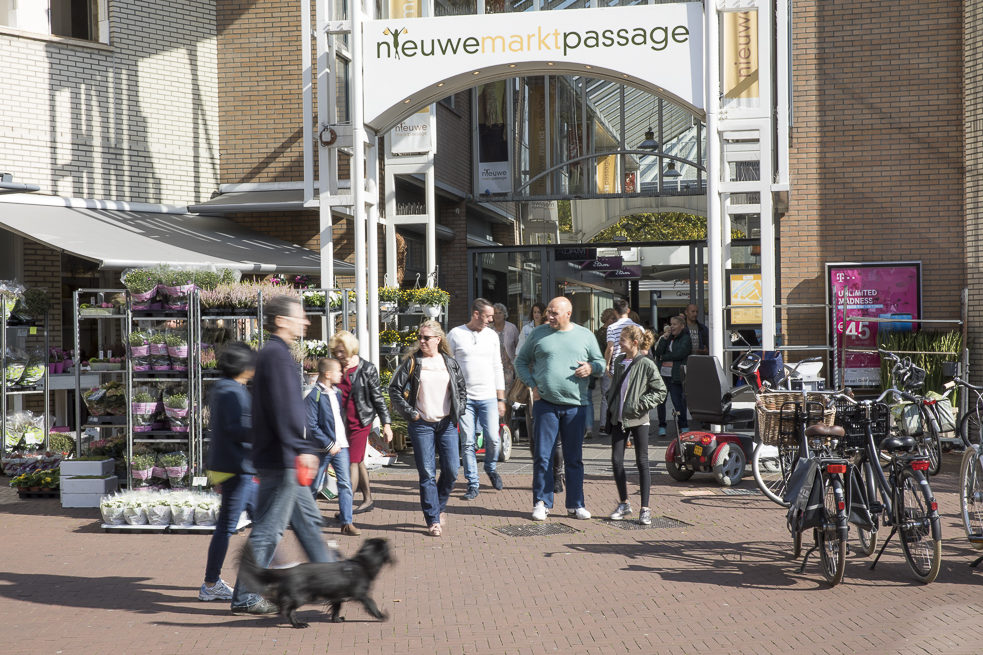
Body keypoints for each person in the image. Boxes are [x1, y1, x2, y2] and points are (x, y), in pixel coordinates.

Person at [230, 295, 332, 616]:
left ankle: (331, 582)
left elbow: (286, 409)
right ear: (281, 321)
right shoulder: (276, 355)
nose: (306, 321)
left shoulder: (277, 354)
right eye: (300, 317)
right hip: (282, 458)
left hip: (282, 455)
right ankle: (245, 596)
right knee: (269, 529)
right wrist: (303, 449)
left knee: (308, 524)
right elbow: (284, 409)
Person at [514, 296, 605, 521]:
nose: (549, 316)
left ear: (568, 314)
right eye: (548, 312)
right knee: (542, 456)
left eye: (554, 313)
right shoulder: (538, 333)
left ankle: (576, 504)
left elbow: (601, 364)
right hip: (545, 404)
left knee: (574, 458)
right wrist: (532, 385)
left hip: (576, 405)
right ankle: (542, 502)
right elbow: (520, 362)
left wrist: (591, 367)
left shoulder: (585, 335)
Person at [388, 320, 467, 537]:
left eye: (426, 338)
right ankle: (433, 519)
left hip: (446, 423)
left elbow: (461, 390)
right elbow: (394, 389)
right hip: (421, 424)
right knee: (427, 474)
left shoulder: (449, 363)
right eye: (420, 337)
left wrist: (459, 411)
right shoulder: (413, 362)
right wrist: (410, 413)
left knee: (451, 470)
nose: (421, 341)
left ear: (438, 340)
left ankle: (439, 505)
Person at [199, 342, 258, 603]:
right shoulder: (232, 390)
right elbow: (237, 429)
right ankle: (212, 582)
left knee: (262, 519)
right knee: (229, 526)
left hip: (232, 466)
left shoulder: (224, 388)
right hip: (237, 467)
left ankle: (252, 575)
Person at [604, 326, 666, 526]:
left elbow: (660, 391)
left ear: (635, 343)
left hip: (639, 419)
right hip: (619, 419)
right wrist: (612, 404)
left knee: (642, 462)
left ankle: (645, 508)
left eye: (622, 340)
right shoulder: (620, 361)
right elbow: (615, 388)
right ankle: (624, 503)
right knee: (616, 461)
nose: (619, 344)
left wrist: (640, 404)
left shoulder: (646, 364)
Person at [328, 330, 393, 514]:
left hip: (360, 421)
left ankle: (346, 510)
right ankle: (368, 499)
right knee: (359, 462)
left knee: (352, 462)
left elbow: (378, 398)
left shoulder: (367, 368)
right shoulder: (337, 367)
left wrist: (387, 424)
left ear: (351, 348)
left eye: (343, 351)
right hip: (341, 422)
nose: (340, 356)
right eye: (337, 352)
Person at [447, 298, 507, 499]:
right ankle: (473, 483)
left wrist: (501, 399)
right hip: (465, 399)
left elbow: (497, 366)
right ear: (476, 314)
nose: (492, 319)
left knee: (493, 438)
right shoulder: (455, 334)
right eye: (488, 316)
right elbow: (448, 366)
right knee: (468, 442)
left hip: (488, 396)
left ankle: (490, 467)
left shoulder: (492, 336)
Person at [306, 357, 358, 536]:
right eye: (337, 371)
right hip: (322, 449)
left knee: (345, 483)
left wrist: (340, 441)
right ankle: (309, 521)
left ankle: (347, 522)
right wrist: (329, 444)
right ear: (327, 374)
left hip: (341, 446)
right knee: (313, 485)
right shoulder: (314, 395)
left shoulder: (336, 393)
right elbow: (312, 426)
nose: (341, 373)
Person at [603, 300, 639, 436]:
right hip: (635, 365)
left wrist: (607, 364)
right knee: (632, 396)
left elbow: (610, 348)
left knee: (617, 397)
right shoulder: (638, 327)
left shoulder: (612, 328)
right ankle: (632, 428)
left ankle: (620, 427)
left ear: (615, 312)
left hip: (618, 367)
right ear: (628, 310)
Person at [653, 314, 692, 437]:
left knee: (678, 402)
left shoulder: (685, 338)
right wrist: (664, 338)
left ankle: (683, 425)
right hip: (663, 375)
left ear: (682, 326)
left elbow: (679, 354)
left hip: (675, 376)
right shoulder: (668, 338)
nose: (672, 326)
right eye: (671, 324)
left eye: (674, 324)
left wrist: (664, 357)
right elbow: (658, 352)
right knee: (661, 402)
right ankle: (662, 426)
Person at [588, 308, 617, 440]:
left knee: (606, 394)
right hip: (607, 365)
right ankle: (604, 424)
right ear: (607, 319)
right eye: (612, 319)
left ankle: (604, 423)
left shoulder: (600, 332)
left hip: (606, 365)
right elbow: (607, 349)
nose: (614, 321)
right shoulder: (604, 333)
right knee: (606, 395)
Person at [492, 302, 519, 390]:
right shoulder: (488, 329)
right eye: (495, 313)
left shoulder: (512, 328)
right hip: (492, 366)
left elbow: (518, 346)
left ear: (504, 314)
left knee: (508, 394)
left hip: (509, 367)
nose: (498, 315)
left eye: (500, 313)